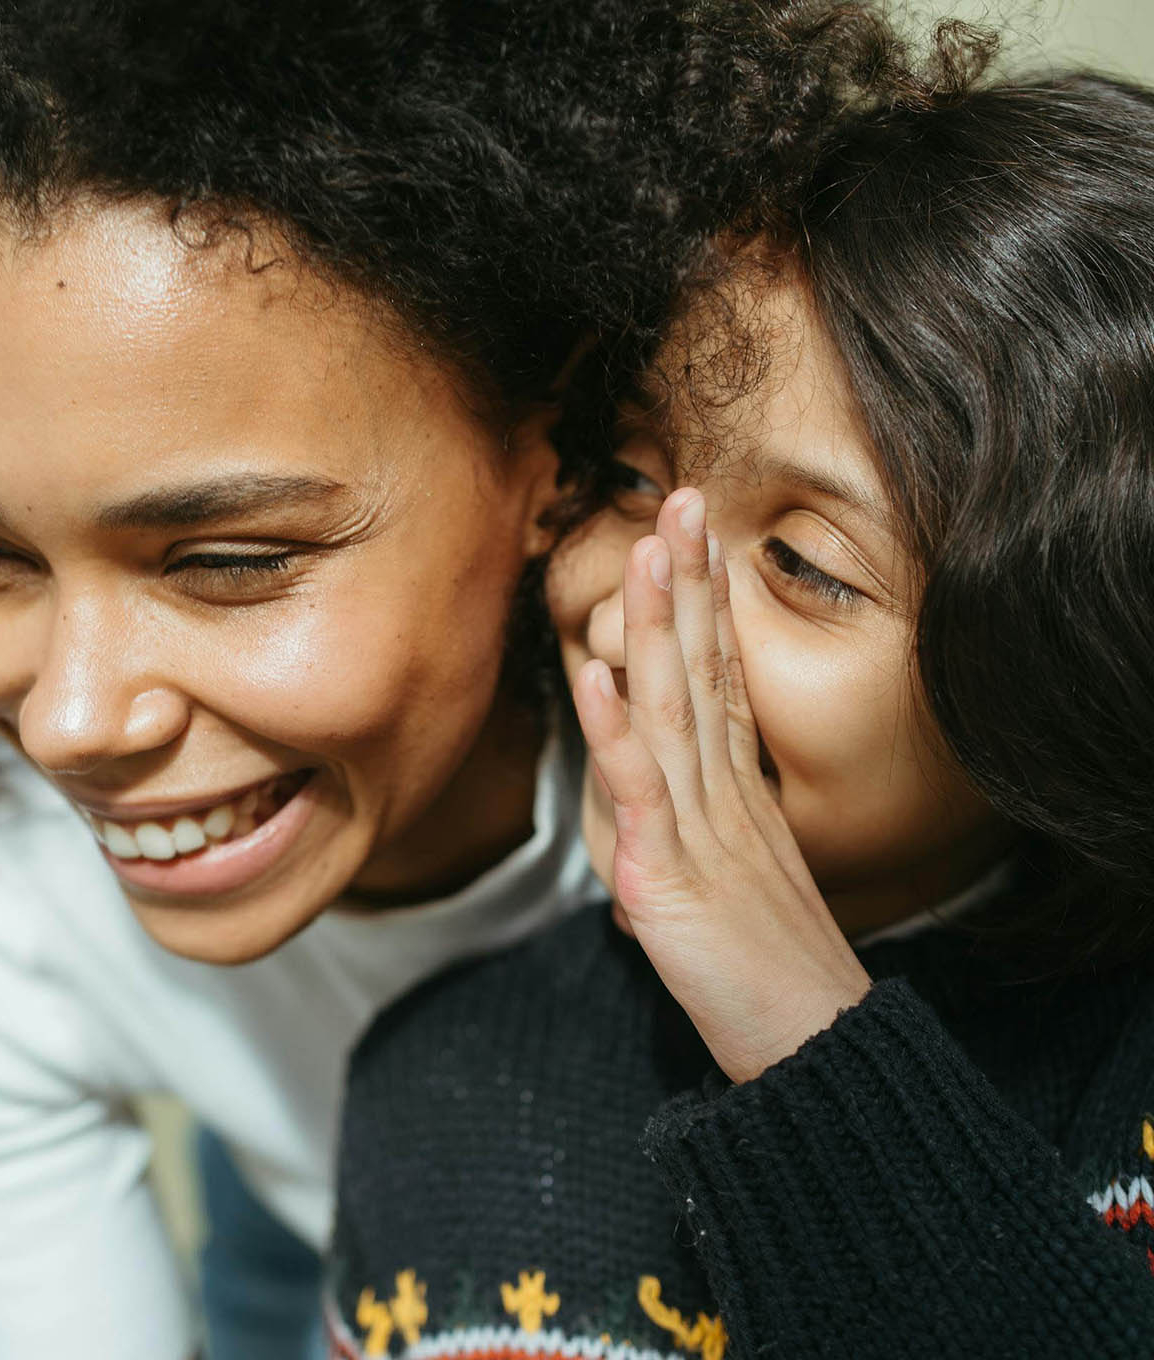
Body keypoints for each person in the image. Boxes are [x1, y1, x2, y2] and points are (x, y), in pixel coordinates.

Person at [0, 3, 857, 1358]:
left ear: (554, 464)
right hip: (313, 1244)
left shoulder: (809, 765)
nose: (67, 724)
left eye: (226, 561)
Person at [327, 31, 1154, 1360]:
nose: (637, 600)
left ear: (1068, 660)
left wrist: (807, 1040)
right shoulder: (438, 1088)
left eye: (803, 563)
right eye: (636, 477)